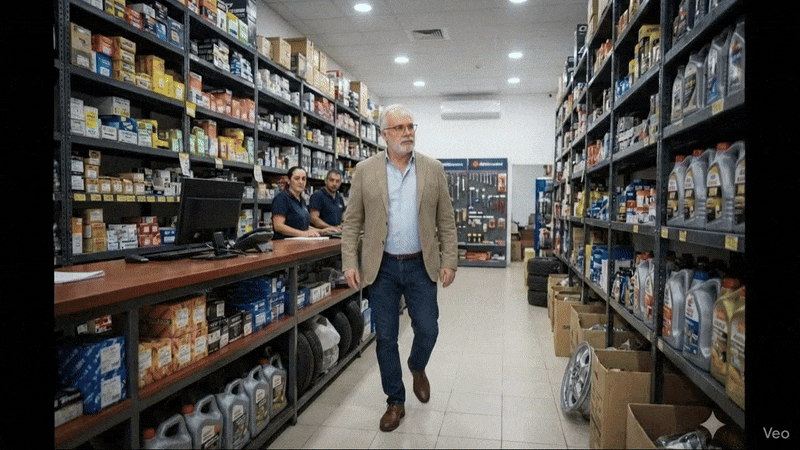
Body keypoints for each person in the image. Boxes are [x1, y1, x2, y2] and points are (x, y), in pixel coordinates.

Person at [340, 104, 458, 432]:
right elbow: (352, 223)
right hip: (383, 267)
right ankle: (395, 400)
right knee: (386, 338)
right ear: (384, 135)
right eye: (399, 128)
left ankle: (417, 366)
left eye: (411, 126)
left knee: (428, 328)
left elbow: (445, 219)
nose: (407, 132)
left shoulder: (433, 169)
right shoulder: (365, 171)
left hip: (421, 265)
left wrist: (450, 260)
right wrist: (349, 261)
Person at [271, 166, 339, 239]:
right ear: (288, 180)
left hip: (300, 244)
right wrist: (304, 234)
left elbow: (303, 227)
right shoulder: (282, 198)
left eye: (303, 179)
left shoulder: (301, 200)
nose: (301, 182)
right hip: (284, 245)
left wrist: (322, 231)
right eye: (297, 178)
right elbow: (278, 226)